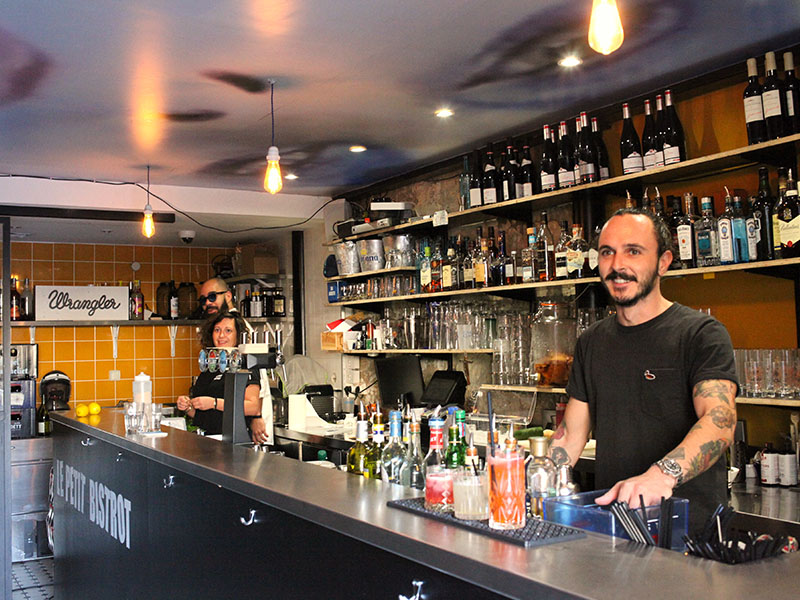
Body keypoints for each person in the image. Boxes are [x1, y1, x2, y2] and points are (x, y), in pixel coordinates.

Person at [549, 208, 737, 530]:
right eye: (607, 252)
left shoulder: (700, 334)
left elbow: (719, 421)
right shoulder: (592, 342)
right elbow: (571, 435)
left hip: (690, 536)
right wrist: (531, 475)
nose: (617, 265)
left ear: (663, 262)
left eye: (633, 251)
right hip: (618, 526)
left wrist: (662, 475)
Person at [176, 312, 269, 444]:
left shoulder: (245, 364)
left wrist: (214, 403)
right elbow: (202, 417)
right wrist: (187, 407)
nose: (221, 335)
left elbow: (252, 407)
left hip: (234, 443)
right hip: (209, 442)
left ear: (238, 335)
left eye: (228, 331)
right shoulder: (210, 367)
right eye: (217, 330)